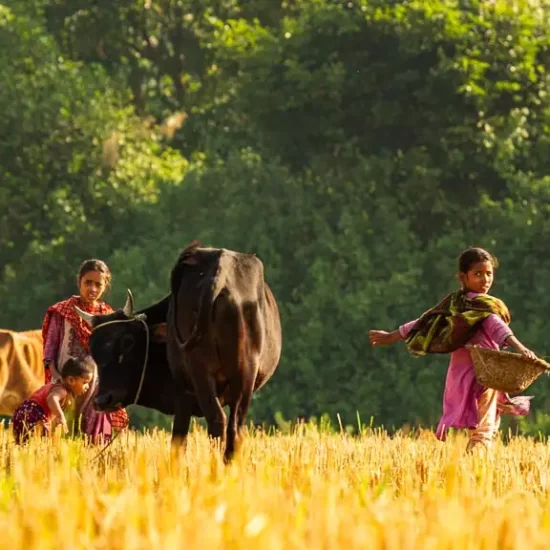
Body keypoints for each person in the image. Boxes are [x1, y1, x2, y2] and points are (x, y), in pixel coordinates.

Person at [369, 247, 536, 451]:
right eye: (478, 274)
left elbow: (425, 321)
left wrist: (392, 335)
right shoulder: (485, 308)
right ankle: (477, 467)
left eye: (489, 274)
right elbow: (499, 329)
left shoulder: (454, 305)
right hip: (484, 373)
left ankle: (474, 464)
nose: (485, 280)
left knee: (479, 424)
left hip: (461, 374)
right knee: (485, 428)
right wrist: (521, 349)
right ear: (463, 277)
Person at [41, 259, 129, 443]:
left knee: (94, 439)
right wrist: (58, 379)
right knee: (63, 436)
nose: (93, 289)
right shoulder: (62, 312)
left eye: (98, 284)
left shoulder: (108, 315)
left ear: (105, 286)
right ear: (79, 282)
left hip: (95, 385)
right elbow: (49, 351)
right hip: (68, 383)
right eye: (88, 283)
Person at [12, 357, 93, 444]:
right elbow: (51, 398)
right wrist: (60, 415)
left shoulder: (57, 383)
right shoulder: (61, 390)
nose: (87, 387)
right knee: (40, 444)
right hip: (34, 415)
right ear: (71, 380)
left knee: (25, 443)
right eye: (85, 382)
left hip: (22, 412)